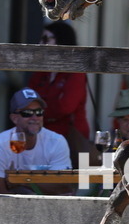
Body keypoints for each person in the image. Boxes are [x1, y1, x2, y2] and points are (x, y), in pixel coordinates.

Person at [0, 88, 72, 195]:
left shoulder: (57, 141)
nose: (35, 117)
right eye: (27, 113)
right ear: (14, 118)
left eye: (39, 112)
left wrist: (23, 180)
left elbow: (63, 186)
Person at [29, 21, 91, 164]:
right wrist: (43, 110)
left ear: (62, 41)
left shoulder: (75, 71)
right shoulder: (42, 72)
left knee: (76, 182)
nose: (40, 44)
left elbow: (66, 106)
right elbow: (28, 100)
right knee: (41, 181)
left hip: (71, 138)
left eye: (46, 39)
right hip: (42, 137)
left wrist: (38, 111)